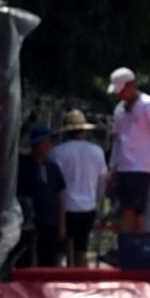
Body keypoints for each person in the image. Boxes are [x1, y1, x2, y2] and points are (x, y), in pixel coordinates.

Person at [103, 68, 150, 234]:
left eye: (122, 90)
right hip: (123, 166)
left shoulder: (148, 105)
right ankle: (130, 246)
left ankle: (126, 247)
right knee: (126, 208)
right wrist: (112, 167)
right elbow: (117, 140)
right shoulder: (119, 110)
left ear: (131, 85)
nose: (120, 95)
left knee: (131, 209)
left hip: (141, 165)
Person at [53, 113, 106, 264]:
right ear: (84, 131)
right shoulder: (97, 151)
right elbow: (102, 181)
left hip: (65, 208)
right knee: (80, 250)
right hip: (87, 207)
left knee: (60, 251)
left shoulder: (58, 152)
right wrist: (99, 203)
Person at [16, 122, 67, 270]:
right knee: (25, 259)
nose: (48, 146)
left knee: (48, 260)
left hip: (49, 221)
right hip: (28, 222)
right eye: (45, 143)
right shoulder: (22, 165)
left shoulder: (52, 167)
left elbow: (60, 194)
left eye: (49, 143)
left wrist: (61, 224)